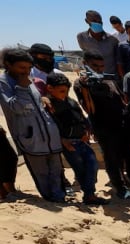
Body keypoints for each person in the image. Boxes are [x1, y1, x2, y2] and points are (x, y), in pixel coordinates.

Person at [0, 48, 64, 202]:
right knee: (41, 173)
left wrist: (42, 99)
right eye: (22, 68)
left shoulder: (28, 78)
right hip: (30, 137)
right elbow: (13, 107)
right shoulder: (4, 83)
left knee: (56, 170)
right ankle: (50, 201)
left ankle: (60, 198)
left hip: (48, 134)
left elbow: (35, 101)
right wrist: (22, 87)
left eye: (29, 68)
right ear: (9, 64)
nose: (26, 72)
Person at [73, 50, 130, 199]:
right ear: (86, 64)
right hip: (103, 127)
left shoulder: (108, 79)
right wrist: (86, 88)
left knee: (122, 156)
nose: (99, 69)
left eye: (101, 66)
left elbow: (121, 101)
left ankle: (124, 180)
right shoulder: (81, 84)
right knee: (111, 158)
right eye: (95, 66)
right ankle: (120, 187)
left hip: (120, 123)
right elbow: (88, 109)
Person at [45, 73, 108, 205]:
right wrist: (63, 140)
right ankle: (89, 195)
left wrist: (87, 129)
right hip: (69, 143)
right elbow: (52, 126)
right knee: (80, 169)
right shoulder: (50, 106)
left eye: (66, 91)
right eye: (61, 91)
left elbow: (81, 116)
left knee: (92, 165)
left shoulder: (70, 101)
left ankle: (90, 193)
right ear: (50, 89)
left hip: (82, 140)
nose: (64, 93)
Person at [77, 10, 119, 75]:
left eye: (99, 22)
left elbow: (118, 61)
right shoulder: (81, 37)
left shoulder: (112, 40)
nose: (97, 23)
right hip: (92, 77)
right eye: (94, 21)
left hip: (109, 77)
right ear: (87, 21)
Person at [0, 126, 19, 201]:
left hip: (6, 157)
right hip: (7, 157)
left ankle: (9, 193)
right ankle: (9, 193)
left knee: (6, 178)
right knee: (6, 177)